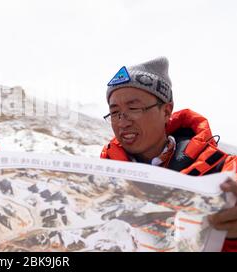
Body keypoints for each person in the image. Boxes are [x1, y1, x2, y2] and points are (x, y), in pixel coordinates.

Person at [100, 57, 237, 252]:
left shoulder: (225, 172)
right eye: (115, 113)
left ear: (166, 111)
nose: (122, 122)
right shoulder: (100, 179)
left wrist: (232, 239)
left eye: (133, 108)